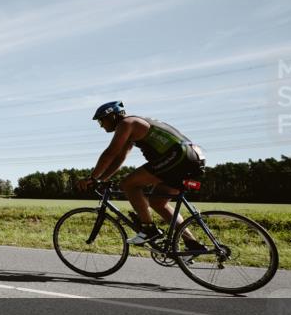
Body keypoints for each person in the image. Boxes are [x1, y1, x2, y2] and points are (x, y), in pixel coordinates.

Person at [76, 101, 207, 250]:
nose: (101, 126)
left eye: (101, 121)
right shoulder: (132, 126)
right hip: (191, 158)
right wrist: (101, 179)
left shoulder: (126, 123)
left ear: (112, 116)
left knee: (128, 184)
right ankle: (192, 244)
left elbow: (110, 153)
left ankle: (148, 229)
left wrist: (92, 177)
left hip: (179, 157)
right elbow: (119, 157)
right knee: (158, 203)